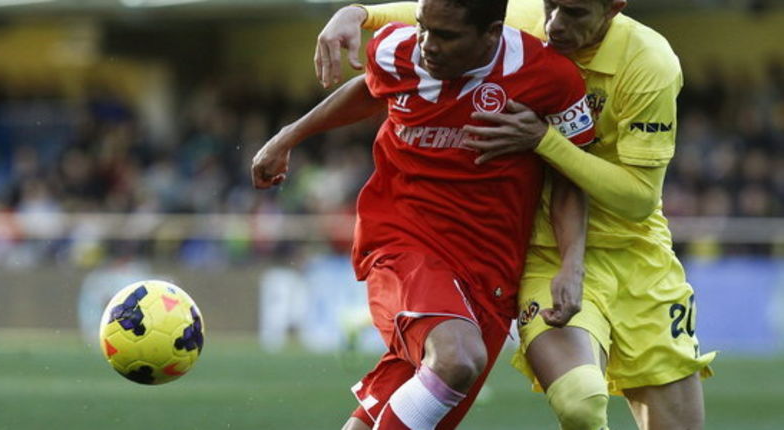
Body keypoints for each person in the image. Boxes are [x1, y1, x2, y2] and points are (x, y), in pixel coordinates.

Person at [312, 1, 716, 429]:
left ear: (614, 8)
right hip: (546, 252)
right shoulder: (514, 20)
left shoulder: (649, 63)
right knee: (580, 402)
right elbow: (431, 15)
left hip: (637, 257)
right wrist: (354, 13)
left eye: (574, 12)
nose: (554, 23)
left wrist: (544, 140)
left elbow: (637, 200)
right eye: (551, 4)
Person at [252, 0, 597, 428]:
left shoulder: (549, 77)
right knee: (457, 358)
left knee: (398, 410)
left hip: (489, 272)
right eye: (422, 28)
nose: (427, 46)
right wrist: (288, 136)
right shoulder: (396, 50)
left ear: (491, 33)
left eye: (446, 35)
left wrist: (571, 262)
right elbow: (370, 88)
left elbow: (570, 173)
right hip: (401, 239)